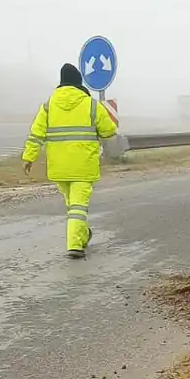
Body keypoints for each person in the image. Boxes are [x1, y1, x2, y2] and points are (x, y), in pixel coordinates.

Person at [22, 63, 118, 258]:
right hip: (83, 166)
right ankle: (75, 244)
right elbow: (110, 130)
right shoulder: (91, 104)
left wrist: (29, 157)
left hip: (59, 167)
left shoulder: (49, 106)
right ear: (78, 82)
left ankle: (82, 234)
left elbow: (36, 134)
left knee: (72, 206)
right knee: (78, 207)